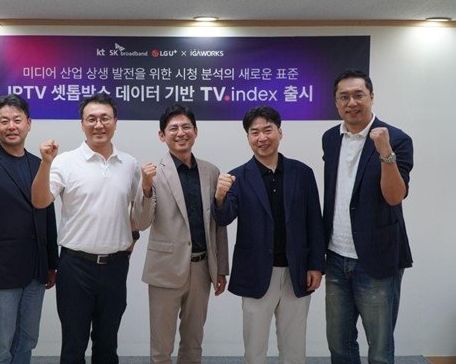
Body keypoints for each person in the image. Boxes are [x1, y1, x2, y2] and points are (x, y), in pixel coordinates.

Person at [31, 92, 141, 364]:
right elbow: (40, 201)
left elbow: (135, 210)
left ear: (115, 122)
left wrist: (131, 238)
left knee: (107, 344)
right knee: (74, 343)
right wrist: (45, 163)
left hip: (116, 267)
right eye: (91, 119)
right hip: (75, 267)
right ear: (82, 124)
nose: (98, 125)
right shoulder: (65, 161)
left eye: (105, 118)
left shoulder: (129, 164)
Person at [212, 105, 325, 364]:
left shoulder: (302, 173)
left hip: (296, 271)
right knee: (255, 349)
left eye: (268, 130)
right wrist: (219, 197)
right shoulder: (237, 177)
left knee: (294, 347)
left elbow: (314, 222)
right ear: (248, 138)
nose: (262, 137)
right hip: (255, 272)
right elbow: (224, 217)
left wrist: (316, 265)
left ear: (280, 132)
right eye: (255, 132)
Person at [322, 69, 414, 364]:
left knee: (380, 350)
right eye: (344, 97)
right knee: (339, 346)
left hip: (377, 259)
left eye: (358, 95)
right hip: (336, 257)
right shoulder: (330, 138)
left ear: (371, 97)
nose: (352, 102)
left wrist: (385, 152)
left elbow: (394, 197)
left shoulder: (397, 139)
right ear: (336, 102)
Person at [0, 94, 58, 364]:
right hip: (1, 269)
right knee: (0, 346)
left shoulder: (39, 164)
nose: (11, 126)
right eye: (4, 121)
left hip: (36, 269)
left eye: (17, 120)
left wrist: (52, 263)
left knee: (27, 341)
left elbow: (47, 216)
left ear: (29, 124)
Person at [133, 103, 230, 364]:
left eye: (186, 127)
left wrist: (220, 268)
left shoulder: (211, 172)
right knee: (161, 347)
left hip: (201, 269)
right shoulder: (152, 174)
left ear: (196, 131)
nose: (180, 133)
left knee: (193, 343)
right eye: (173, 128)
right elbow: (141, 222)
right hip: (165, 269)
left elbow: (217, 225)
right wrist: (145, 187)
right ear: (161, 135)